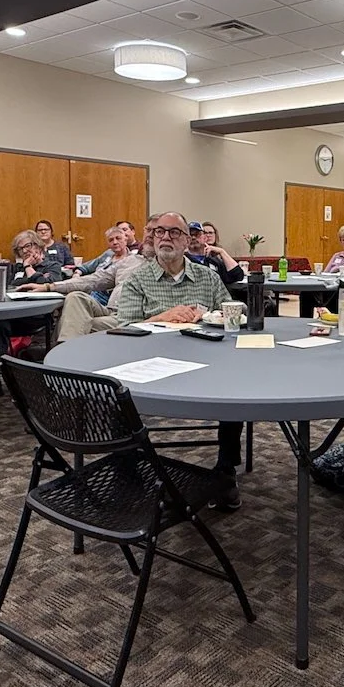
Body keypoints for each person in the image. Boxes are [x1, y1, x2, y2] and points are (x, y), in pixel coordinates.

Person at [114, 212, 242, 511]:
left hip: (206, 359)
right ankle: (128, 468)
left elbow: (231, 312)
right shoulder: (138, 279)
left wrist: (213, 315)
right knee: (114, 392)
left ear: (187, 241)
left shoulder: (207, 277)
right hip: (150, 362)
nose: (165, 238)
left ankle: (226, 470)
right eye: (160, 232)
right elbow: (124, 327)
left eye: (174, 232)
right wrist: (163, 317)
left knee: (236, 389)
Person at [0, 230, 65, 403]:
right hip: (12, 316)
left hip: (36, 317)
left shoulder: (53, 266)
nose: (25, 251)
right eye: (21, 249)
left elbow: (47, 285)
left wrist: (29, 268)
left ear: (38, 245)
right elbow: (12, 286)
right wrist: (29, 276)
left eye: (28, 246)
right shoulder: (16, 269)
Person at [32, 216, 158, 341]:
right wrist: (49, 286)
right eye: (148, 230)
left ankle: (60, 350)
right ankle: (61, 349)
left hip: (131, 318)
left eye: (157, 231)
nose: (150, 235)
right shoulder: (130, 261)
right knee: (76, 297)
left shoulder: (163, 264)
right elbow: (93, 279)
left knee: (76, 323)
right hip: (110, 311)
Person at [186, 220, 245, 286]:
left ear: (205, 238)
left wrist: (222, 252)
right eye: (190, 235)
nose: (193, 237)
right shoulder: (183, 260)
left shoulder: (213, 261)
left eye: (197, 234)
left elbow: (238, 276)